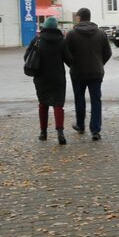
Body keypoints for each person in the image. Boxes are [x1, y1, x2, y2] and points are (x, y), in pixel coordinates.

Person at [64, 7, 112, 140]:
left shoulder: (72, 34)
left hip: (77, 73)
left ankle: (80, 125)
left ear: (79, 18)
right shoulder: (101, 33)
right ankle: (95, 130)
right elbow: (108, 53)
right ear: (89, 17)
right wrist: (99, 64)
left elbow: (66, 54)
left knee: (79, 99)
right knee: (96, 100)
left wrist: (72, 64)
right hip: (96, 73)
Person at [28, 17, 72, 145]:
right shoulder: (61, 41)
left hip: (41, 78)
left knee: (43, 104)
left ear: (44, 26)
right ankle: (60, 133)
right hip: (58, 78)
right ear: (56, 27)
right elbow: (69, 60)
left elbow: (27, 56)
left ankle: (43, 133)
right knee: (58, 105)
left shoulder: (37, 40)